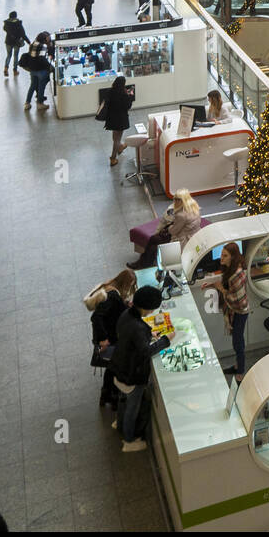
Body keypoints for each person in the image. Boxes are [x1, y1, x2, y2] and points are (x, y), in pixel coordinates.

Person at [111, 285, 174, 452]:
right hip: (131, 376)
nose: (152, 312)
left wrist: (148, 335)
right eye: (152, 309)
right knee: (133, 408)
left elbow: (130, 337)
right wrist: (165, 340)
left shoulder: (126, 314)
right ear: (146, 307)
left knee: (122, 399)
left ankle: (119, 423)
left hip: (118, 368)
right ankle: (129, 441)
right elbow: (146, 351)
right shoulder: (138, 327)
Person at [88, 268, 136, 410]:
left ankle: (106, 395)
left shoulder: (109, 288)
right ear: (124, 283)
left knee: (111, 367)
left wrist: (126, 305)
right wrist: (103, 339)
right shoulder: (113, 295)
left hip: (108, 336)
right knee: (115, 367)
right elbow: (96, 317)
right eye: (129, 285)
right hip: (109, 338)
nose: (129, 288)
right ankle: (113, 397)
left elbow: (113, 309)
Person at [202, 243, 250, 381]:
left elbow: (238, 301)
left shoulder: (236, 274)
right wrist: (212, 285)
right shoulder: (231, 269)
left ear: (233, 257)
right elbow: (226, 287)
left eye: (225, 256)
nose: (221, 258)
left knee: (238, 343)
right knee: (236, 341)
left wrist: (220, 289)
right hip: (236, 311)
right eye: (221, 255)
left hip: (240, 312)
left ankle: (240, 373)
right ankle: (237, 366)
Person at [130, 190, 201, 269]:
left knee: (154, 242)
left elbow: (173, 231)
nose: (174, 201)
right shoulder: (194, 208)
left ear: (181, 200)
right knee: (154, 240)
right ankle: (144, 262)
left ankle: (143, 263)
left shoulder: (181, 215)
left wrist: (170, 226)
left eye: (176, 199)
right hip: (192, 235)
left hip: (182, 240)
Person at [101, 75, 134, 166]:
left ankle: (120, 147)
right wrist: (130, 95)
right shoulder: (123, 94)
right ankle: (113, 158)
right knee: (117, 139)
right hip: (120, 119)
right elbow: (128, 106)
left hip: (111, 118)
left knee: (115, 137)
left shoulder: (110, 91)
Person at [2, 11, 29, 76]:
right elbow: (23, 34)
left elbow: (4, 29)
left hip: (8, 41)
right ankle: (15, 71)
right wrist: (28, 42)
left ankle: (6, 68)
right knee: (15, 56)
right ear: (15, 16)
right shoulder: (18, 23)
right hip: (16, 42)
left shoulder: (6, 23)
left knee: (9, 55)